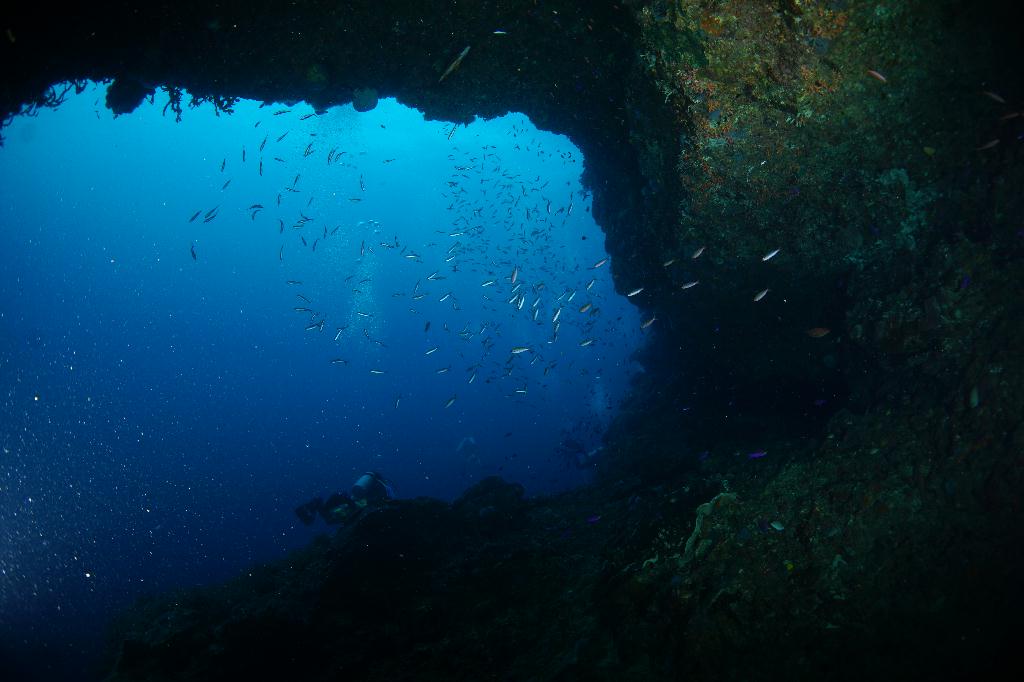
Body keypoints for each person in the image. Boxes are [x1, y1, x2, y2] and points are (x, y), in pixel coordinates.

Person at [294, 471, 394, 526]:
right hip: (355, 506)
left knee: (331, 507)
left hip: (347, 501)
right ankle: (310, 510)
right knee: (331, 514)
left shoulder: (371, 487)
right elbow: (389, 500)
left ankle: (310, 508)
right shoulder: (383, 487)